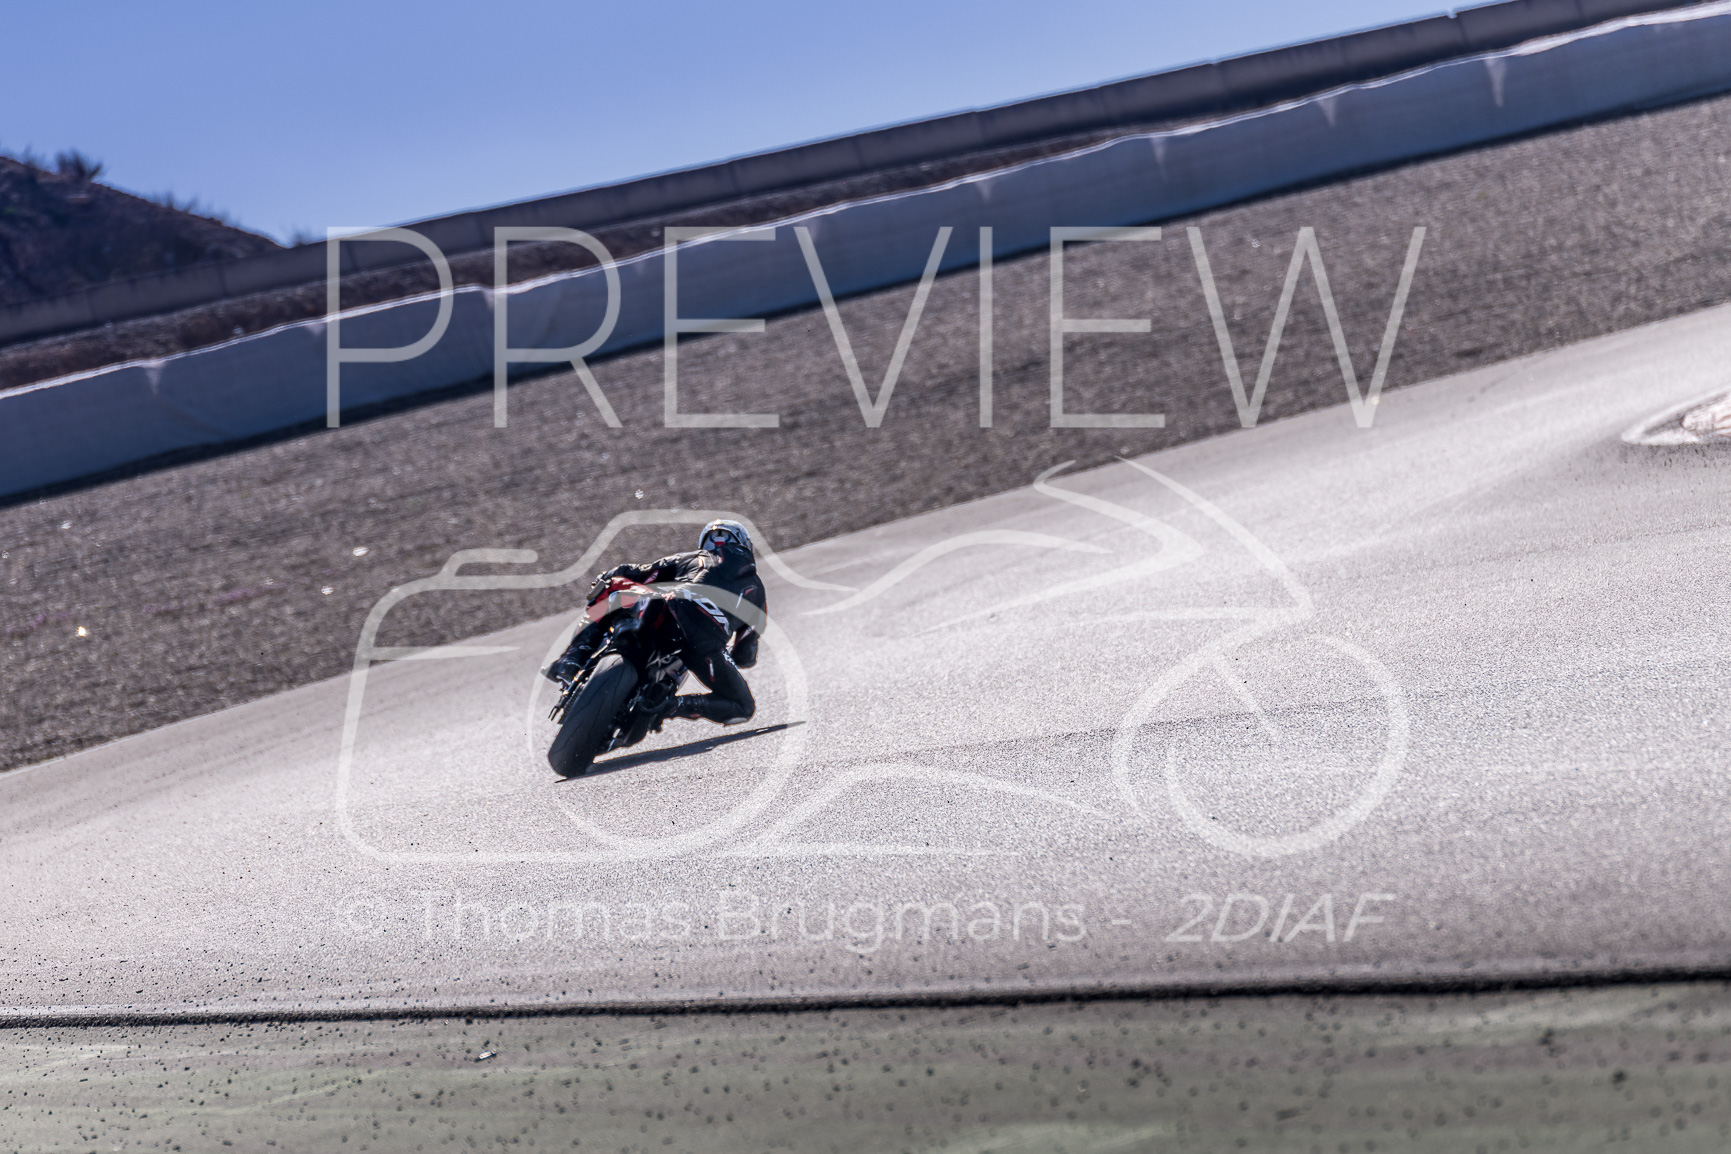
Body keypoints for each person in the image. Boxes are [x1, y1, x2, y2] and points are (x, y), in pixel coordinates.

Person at [546, 519, 764, 725]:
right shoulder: (757, 588)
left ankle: (573, 657)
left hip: (669, 608)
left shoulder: (692, 558)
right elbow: (745, 655)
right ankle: (671, 705)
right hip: (706, 642)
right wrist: (726, 653)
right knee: (743, 706)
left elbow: (635, 573)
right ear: (745, 545)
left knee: (611, 585)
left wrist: (606, 580)